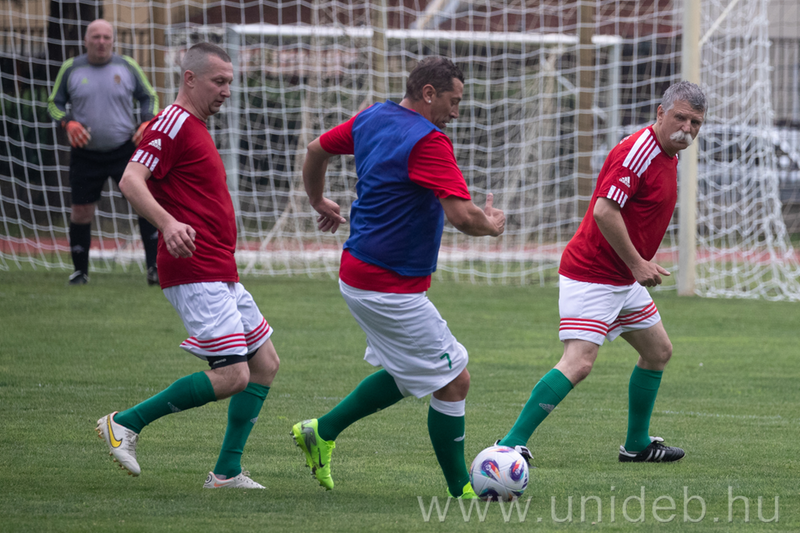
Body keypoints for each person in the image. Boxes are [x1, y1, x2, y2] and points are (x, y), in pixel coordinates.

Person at [292, 57, 505, 499]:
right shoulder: (428, 141)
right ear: (428, 93)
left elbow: (315, 150)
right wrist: (491, 225)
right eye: (453, 101)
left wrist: (317, 200)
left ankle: (321, 431)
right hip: (386, 286)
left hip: (362, 271)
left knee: (409, 373)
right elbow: (462, 216)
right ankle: (463, 490)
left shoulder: (373, 116)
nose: (456, 112)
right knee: (454, 379)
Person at [95, 42, 280, 489]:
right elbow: (130, 180)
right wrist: (167, 222)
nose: (226, 91)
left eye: (230, 82)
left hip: (220, 268)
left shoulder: (194, 126)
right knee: (233, 374)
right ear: (190, 79)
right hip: (195, 269)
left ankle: (227, 473)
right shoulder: (172, 122)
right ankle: (125, 423)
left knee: (264, 364)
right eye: (219, 81)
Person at [497, 81, 707, 463]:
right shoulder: (638, 152)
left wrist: (633, 266)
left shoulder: (669, 154)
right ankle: (509, 444)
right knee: (578, 362)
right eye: (680, 118)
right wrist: (637, 263)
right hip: (592, 274)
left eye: (695, 123)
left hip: (621, 278)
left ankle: (637, 445)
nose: (687, 129)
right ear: (660, 113)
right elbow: (604, 211)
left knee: (658, 351)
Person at [47, 19, 160, 286]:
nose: (101, 42)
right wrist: (68, 122)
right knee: (81, 211)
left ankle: (154, 268)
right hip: (85, 153)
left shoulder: (127, 66)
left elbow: (150, 97)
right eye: (96, 37)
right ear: (86, 41)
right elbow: (54, 103)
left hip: (125, 151)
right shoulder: (71, 68)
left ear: (113, 41)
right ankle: (80, 272)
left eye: (106, 37)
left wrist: (146, 121)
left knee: (146, 206)